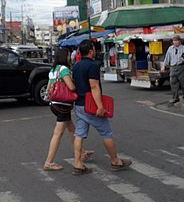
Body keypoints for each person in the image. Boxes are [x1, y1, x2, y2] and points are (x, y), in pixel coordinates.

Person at [71, 39, 132, 175]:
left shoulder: (76, 66)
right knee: (106, 132)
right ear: (91, 50)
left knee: (79, 134)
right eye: (94, 48)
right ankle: (115, 161)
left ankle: (78, 164)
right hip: (91, 106)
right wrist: (100, 107)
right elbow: (94, 86)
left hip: (79, 105)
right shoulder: (92, 66)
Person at [43, 47, 94, 171]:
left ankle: (82, 152)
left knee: (71, 129)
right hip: (62, 105)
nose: (69, 57)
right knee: (58, 133)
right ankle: (49, 162)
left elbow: (49, 87)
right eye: (67, 55)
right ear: (64, 57)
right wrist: (75, 83)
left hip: (54, 104)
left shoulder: (53, 70)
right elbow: (71, 87)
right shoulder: (64, 69)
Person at [161, 34, 184, 105]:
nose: (175, 42)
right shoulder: (170, 48)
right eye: (174, 41)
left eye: (177, 41)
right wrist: (164, 66)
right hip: (173, 67)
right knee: (173, 83)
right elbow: (167, 58)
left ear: (180, 41)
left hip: (182, 67)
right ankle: (175, 98)